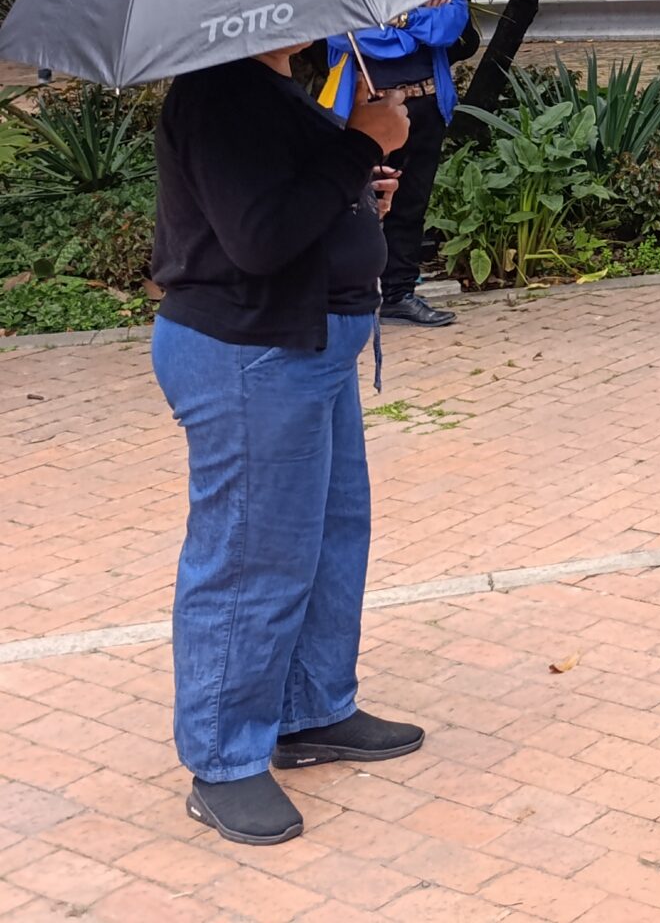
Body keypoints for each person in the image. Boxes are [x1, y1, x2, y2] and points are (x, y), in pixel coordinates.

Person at [150, 45, 424, 846]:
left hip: (309, 349)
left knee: (332, 537)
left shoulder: (270, 91)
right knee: (249, 557)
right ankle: (224, 761)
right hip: (251, 355)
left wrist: (353, 194)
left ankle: (310, 711)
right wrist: (362, 143)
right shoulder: (220, 95)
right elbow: (258, 241)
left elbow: (289, 206)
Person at [321, 0, 477, 327]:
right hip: (370, 110)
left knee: (411, 204)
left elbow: (450, 27)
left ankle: (398, 294)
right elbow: (356, 37)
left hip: (427, 105)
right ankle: (347, 293)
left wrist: (402, 18)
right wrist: (417, 26)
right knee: (359, 202)